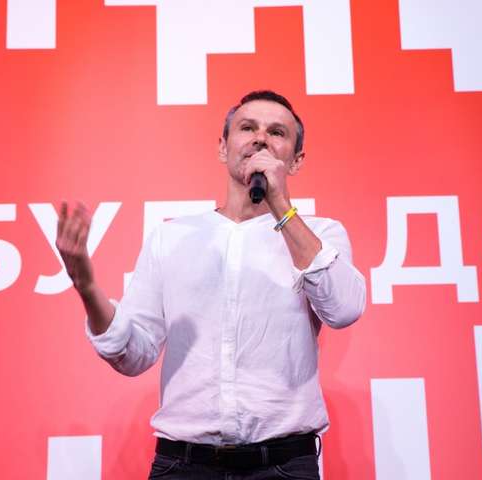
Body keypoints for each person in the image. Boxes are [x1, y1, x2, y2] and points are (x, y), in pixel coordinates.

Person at [56, 90, 366, 479]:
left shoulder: (321, 235)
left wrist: (281, 207)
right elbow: (133, 354)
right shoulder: (173, 238)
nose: (260, 139)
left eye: (276, 132)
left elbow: (344, 309)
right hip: (184, 465)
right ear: (223, 147)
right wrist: (87, 287)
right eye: (248, 128)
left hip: (283, 466)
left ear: (296, 160)